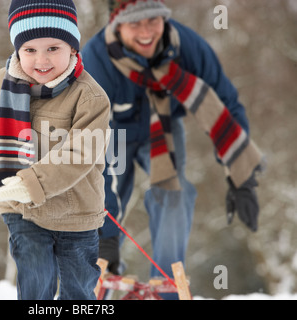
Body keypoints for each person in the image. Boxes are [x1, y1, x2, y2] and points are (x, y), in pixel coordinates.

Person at [82, 0, 264, 290]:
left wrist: (242, 177)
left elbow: (225, 102)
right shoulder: (96, 60)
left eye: (153, 20)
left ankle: (165, 282)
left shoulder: (185, 46)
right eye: (135, 23)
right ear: (116, 24)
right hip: (111, 132)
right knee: (106, 195)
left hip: (162, 126)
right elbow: (87, 143)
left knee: (175, 194)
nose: (146, 31)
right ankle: (94, 278)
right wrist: (106, 234)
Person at [0, 0, 111, 300]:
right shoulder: (4, 85)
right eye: (30, 50)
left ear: (72, 48)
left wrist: (31, 183)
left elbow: (81, 153)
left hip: (76, 212)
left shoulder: (91, 97)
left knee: (78, 290)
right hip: (22, 209)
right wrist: (19, 188)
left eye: (53, 48)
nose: (41, 59)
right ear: (17, 50)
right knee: (35, 281)